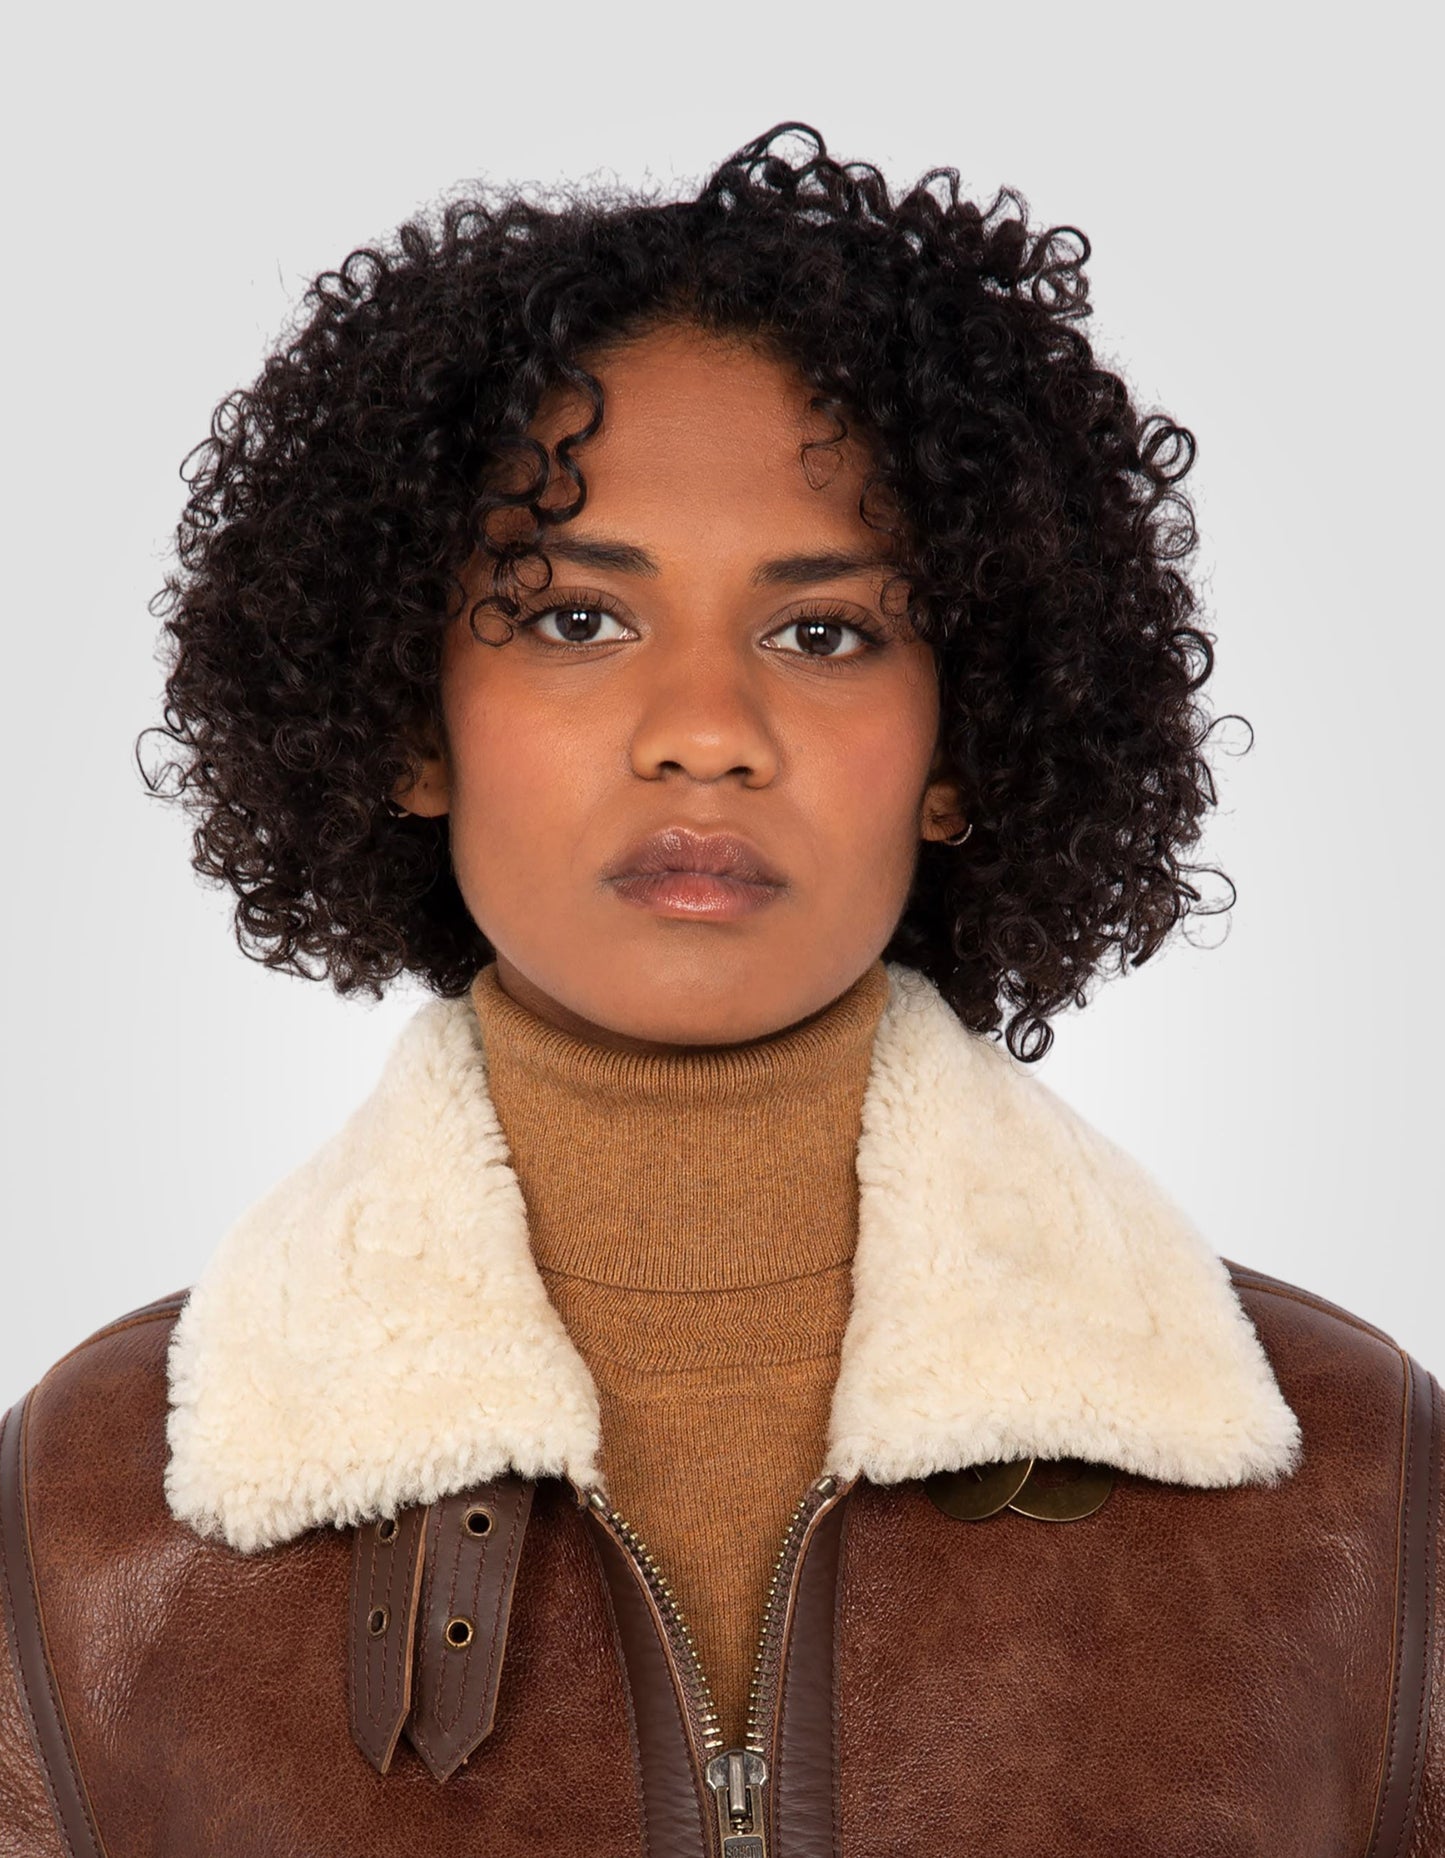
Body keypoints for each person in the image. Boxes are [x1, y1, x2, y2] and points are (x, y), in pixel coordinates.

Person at [0, 123, 1438, 1857]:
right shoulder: (88, 1520)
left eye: (821, 632)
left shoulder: (1359, 1490)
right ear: (405, 720)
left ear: (960, 746)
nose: (702, 728)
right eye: (573, 619)